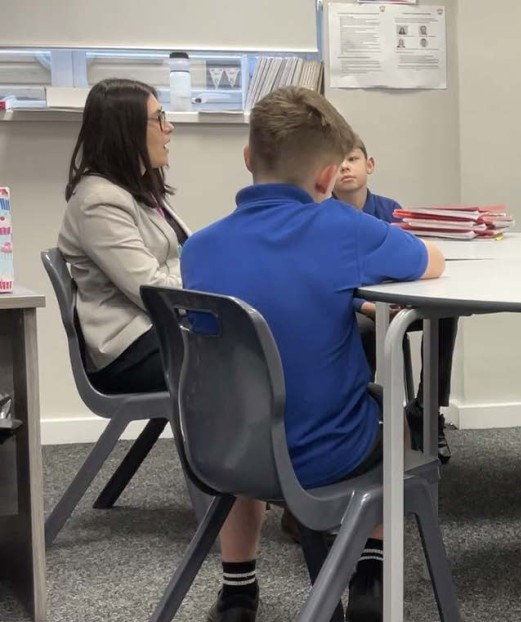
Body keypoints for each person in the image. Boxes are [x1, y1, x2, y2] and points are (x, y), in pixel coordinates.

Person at [181, 86, 445, 622]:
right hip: (324, 453)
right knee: (394, 418)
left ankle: (237, 591)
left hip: (217, 451)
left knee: (243, 409)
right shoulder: (343, 227)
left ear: (248, 157)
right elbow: (429, 261)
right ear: (328, 177)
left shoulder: (198, 247)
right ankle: (370, 567)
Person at [58, 78, 188, 395]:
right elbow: (152, 291)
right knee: (243, 357)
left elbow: (182, 255)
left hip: (156, 331)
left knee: (250, 345)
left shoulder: (138, 189)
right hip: (127, 350)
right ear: (125, 130)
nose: (168, 127)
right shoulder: (98, 202)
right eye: (159, 118)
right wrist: (207, 275)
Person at [333, 138, 459, 463]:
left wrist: (403, 298)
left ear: (369, 165)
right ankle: (364, 417)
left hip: (397, 303)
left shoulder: (391, 211)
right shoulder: (322, 217)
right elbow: (325, 282)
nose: (345, 166)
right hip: (355, 308)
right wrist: (368, 307)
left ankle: (427, 409)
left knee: (444, 313)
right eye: (338, 161)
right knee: (362, 329)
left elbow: (410, 263)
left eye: (352, 159)